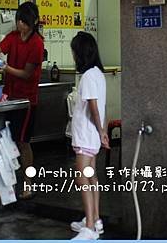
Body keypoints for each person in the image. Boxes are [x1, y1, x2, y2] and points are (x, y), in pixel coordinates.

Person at [0, 1, 44, 199]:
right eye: (19, 21)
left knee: (23, 142)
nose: (20, 25)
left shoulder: (37, 44)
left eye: (24, 22)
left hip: (26, 101)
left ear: (33, 22)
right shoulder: (14, 36)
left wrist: (5, 68)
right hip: (9, 96)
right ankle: (8, 184)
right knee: (8, 140)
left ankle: (28, 183)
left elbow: (26, 74)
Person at [68, 32, 109, 240]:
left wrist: (101, 130)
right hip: (91, 135)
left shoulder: (88, 76)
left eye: (74, 52)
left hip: (86, 135)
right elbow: (100, 106)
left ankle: (90, 227)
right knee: (91, 175)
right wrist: (102, 130)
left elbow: (93, 107)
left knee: (82, 176)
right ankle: (94, 219)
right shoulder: (98, 74)